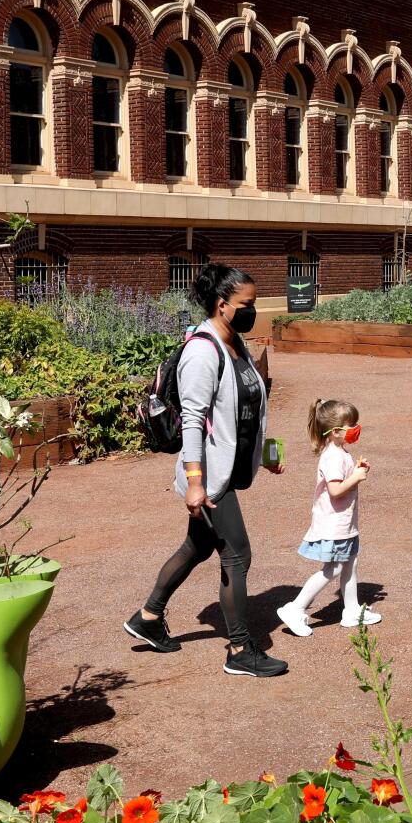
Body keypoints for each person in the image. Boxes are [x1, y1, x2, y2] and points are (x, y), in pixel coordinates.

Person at [124, 262, 288, 677]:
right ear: (221, 304)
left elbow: (251, 406)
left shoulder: (237, 344)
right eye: (247, 304)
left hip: (231, 466)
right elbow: (194, 421)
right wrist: (194, 483)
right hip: (210, 476)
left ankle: (147, 617)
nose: (254, 310)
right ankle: (239, 650)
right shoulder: (202, 350)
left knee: (197, 546)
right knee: (237, 554)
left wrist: (266, 453)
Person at [276, 398, 380, 637]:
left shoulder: (340, 451)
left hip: (345, 523)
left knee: (351, 563)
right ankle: (295, 608)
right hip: (335, 524)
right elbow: (335, 490)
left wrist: (355, 470)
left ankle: (352, 610)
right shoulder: (332, 456)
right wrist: (356, 477)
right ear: (335, 432)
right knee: (333, 568)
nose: (356, 429)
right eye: (351, 425)